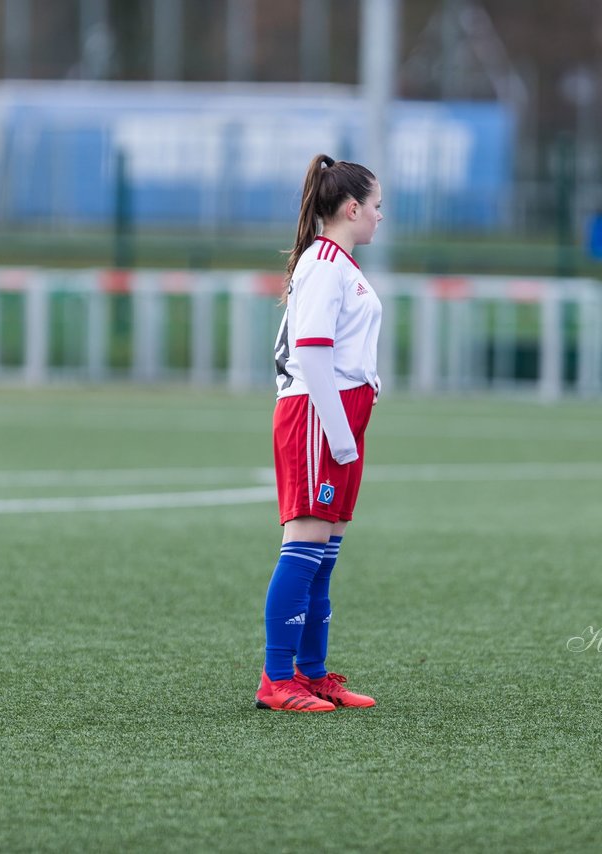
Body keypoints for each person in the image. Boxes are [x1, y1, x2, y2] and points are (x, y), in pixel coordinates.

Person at [255, 153, 383, 712]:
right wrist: (339, 431)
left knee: (324, 553)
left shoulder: (336, 263)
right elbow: (310, 350)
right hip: (316, 414)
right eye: (377, 206)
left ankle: (309, 674)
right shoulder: (324, 263)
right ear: (352, 209)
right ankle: (276, 679)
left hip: (335, 414)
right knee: (303, 546)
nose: (381, 216)